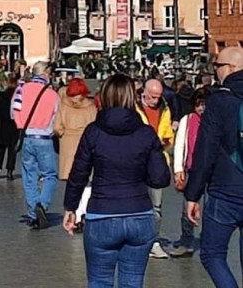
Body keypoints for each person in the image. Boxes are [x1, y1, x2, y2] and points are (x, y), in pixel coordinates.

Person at [63, 73, 171, 288]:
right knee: (132, 282)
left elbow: (78, 174)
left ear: (104, 97)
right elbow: (160, 178)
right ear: (133, 98)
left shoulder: (93, 132)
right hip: (139, 213)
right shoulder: (146, 133)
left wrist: (70, 207)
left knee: (99, 281)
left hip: (102, 213)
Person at [184, 45, 243, 288]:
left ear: (231, 68)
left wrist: (193, 195)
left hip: (225, 192)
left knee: (212, 254)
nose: (215, 71)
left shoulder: (219, 100)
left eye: (217, 66)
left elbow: (205, 150)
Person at [11, 61, 60, 229]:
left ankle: (33, 212)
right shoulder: (52, 94)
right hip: (45, 137)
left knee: (29, 175)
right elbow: (56, 117)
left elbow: (14, 111)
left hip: (27, 137)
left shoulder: (21, 89)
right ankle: (42, 204)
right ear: (45, 74)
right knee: (50, 175)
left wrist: (22, 123)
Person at [167, 87, 207, 256]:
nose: (201, 108)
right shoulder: (187, 120)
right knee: (187, 207)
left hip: (212, 171)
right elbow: (180, 144)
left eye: (204, 104)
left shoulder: (215, 120)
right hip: (191, 168)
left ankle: (209, 241)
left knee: (211, 208)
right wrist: (178, 169)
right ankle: (187, 240)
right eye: (198, 104)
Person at [137, 78, 173, 257]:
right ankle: (137, 239)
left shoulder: (165, 108)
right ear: (144, 92)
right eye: (152, 96)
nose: (155, 100)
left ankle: (153, 241)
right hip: (136, 161)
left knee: (156, 207)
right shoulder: (133, 107)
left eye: (158, 97)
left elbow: (168, 134)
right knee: (135, 203)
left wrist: (166, 140)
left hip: (158, 161)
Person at [55, 79, 97, 181]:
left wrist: (63, 134)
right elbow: (95, 128)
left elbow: (57, 127)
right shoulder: (91, 107)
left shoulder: (63, 106)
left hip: (67, 141)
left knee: (68, 175)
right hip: (85, 143)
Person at [0, 75, 19, 181]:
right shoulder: (17, 96)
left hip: (2, 127)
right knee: (12, 150)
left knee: (0, 149)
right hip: (13, 126)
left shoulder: (1, 96)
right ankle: (9, 172)